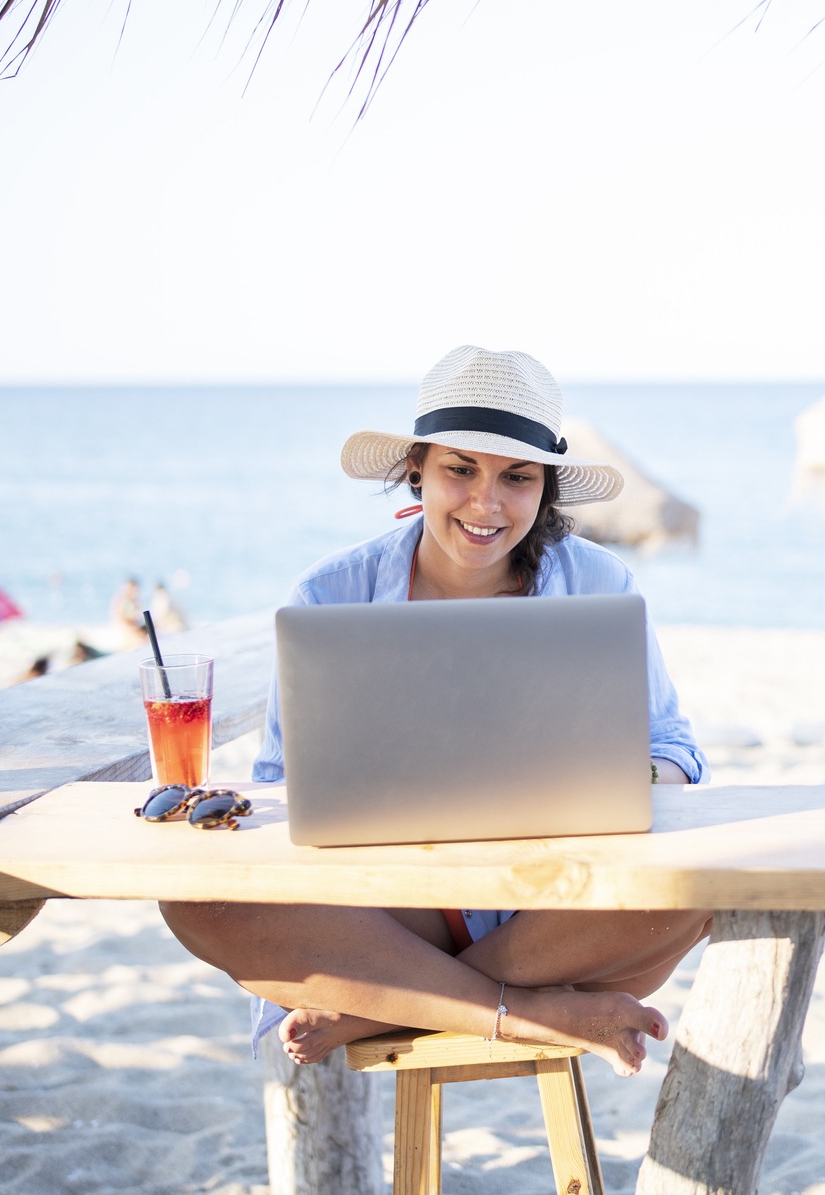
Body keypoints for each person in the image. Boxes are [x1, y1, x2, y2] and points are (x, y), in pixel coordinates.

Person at [158, 347, 710, 1077]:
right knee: (193, 897)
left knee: (703, 888)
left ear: (544, 487)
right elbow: (282, 781)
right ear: (417, 468)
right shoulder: (331, 592)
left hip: (551, 903)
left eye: (516, 476)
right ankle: (529, 1010)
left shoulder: (599, 581)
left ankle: (396, 999)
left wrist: (627, 773)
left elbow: (676, 748)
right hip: (392, 906)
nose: (486, 503)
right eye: (461, 468)